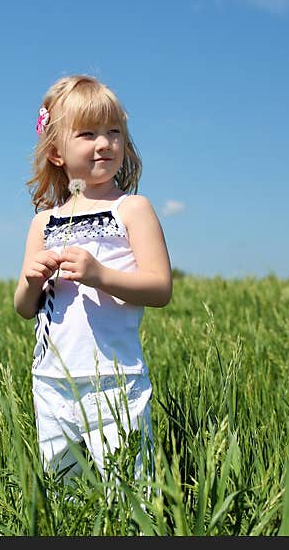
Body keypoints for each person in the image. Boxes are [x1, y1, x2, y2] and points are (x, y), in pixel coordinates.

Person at [14, 74, 173, 485]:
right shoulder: (44, 223)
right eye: (87, 134)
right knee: (63, 488)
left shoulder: (132, 209)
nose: (104, 144)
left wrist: (100, 274)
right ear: (55, 152)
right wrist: (32, 281)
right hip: (52, 378)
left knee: (129, 490)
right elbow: (23, 307)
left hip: (115, 378)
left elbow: (159, 287)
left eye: (114, 132)